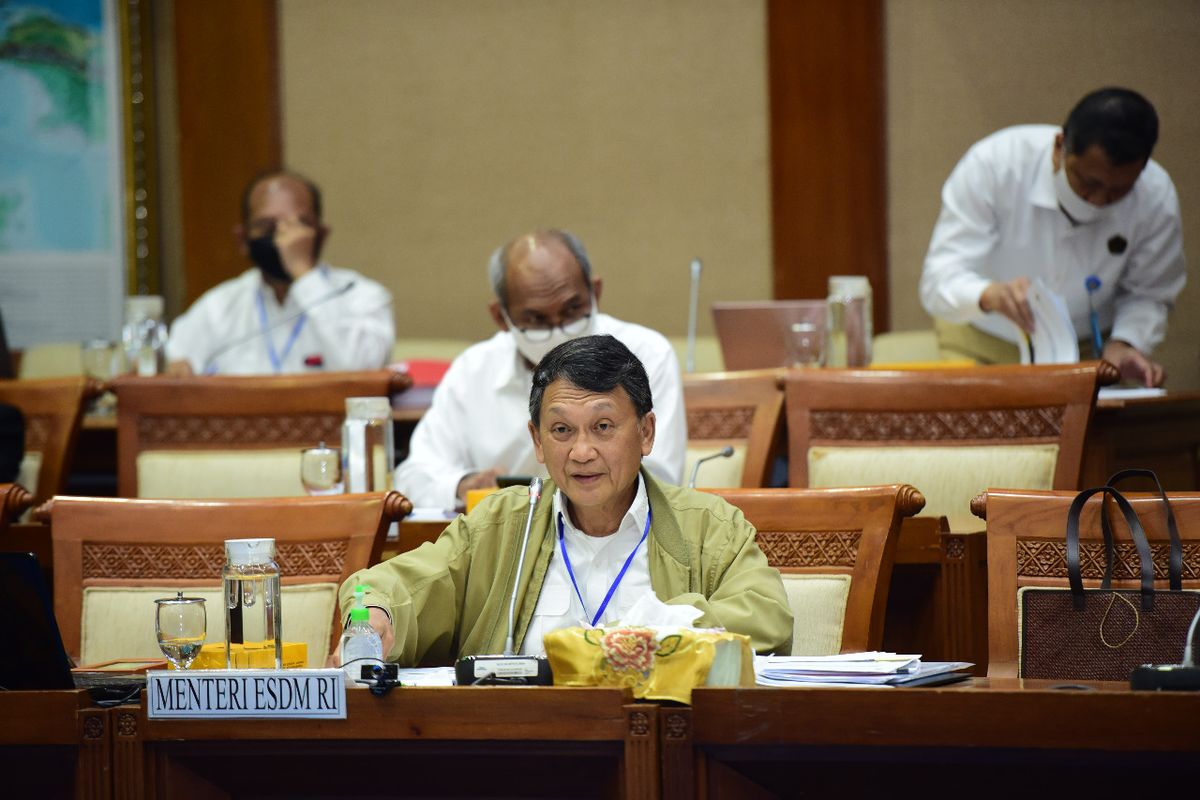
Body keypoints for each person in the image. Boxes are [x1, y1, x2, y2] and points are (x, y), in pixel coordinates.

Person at [341, 334, 792, 663]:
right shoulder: (501, 523)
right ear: (537, 441)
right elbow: (400, 584)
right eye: (561, 430)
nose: (581, 452)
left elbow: (766, 616)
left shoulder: (708, 527)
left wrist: (654, 629)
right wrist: (376, 613)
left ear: (647, 432)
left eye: (603, 427)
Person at [394, 229, 686, 509]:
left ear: (595, 292)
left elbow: (661, 480)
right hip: (504, 538)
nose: (558, 331)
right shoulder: (473, 371)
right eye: (536, 320)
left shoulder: (646, 353)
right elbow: (413, 476)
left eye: (572, 311)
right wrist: (463, 486)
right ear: (501, 316)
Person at [919, 88, 1186, 387]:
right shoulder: (995, 165)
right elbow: (939, 279)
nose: (1098, 200)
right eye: (1088, 182)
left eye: (1118, 190)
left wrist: (1127, 342)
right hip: (982, 339)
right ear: (1060, 147)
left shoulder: (1155, 197)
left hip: (1089, 352)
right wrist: (989, 294)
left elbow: (1150, 293)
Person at [165, 170, 395, 375]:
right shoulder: (218, 308)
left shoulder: (361, 296)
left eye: (297, 225)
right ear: (243, 239)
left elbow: (364, 368)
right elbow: (173, 367)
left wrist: (304, 273)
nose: (284, 238)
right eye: (267, 226)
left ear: (321, 235)